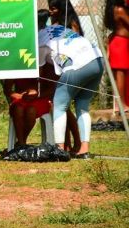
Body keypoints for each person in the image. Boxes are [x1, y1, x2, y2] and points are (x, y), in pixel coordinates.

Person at [38, 12, 104, 159]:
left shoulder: (39, 39)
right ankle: (84, 149)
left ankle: (60, 149)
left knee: (59, 106)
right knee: (82, 106)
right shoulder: (59, 28)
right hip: (98, 59)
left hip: (77, 65)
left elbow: (40, 69)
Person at [3, 10, 57, 146]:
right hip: (21, 99)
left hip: (40, 98)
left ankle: (20, 143)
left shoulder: (44, 59)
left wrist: (37, 94)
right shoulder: (16, 61)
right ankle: (21, 144)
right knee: (18, 109)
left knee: (31, 110)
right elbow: (8, 89)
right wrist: (18, 96)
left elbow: (52, 89)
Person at [46, 0, 84, 151]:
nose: (51, 11)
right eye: (50, 8)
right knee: (61, 107)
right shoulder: (53, 22)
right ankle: (67, 143)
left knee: (63, 107)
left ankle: (77, 141)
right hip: (55, 67)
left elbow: (76, 43)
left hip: (69, 68)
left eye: (54, 8)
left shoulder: (72, 23)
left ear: (62, 8)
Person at [103, 0, 129, 116]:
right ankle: (121, 104)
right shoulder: (119, 9)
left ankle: (121, 103)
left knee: (122, 74)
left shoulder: (112, 9)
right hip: (121, 43)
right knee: (120, 74)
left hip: (118, 42)